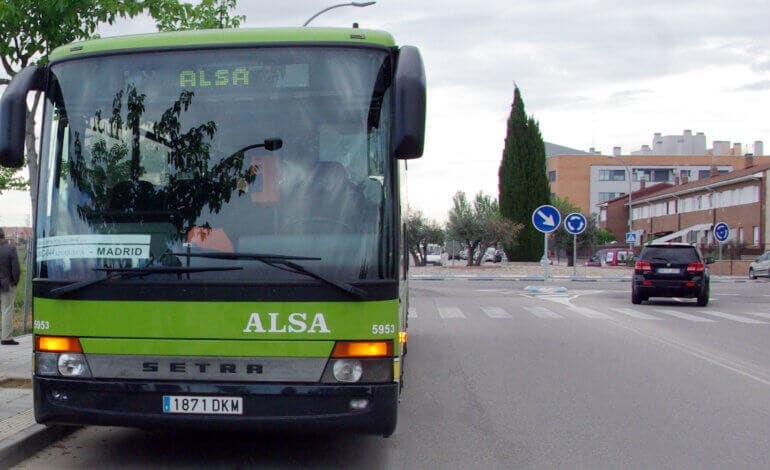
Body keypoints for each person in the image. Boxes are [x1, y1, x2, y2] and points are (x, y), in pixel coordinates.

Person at [0, 228, 21, 345]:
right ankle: (6, 338)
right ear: (4, 236)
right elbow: (16, 269)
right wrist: (15, 281)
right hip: (6, 284)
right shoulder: (10, 248)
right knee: (6, 310)